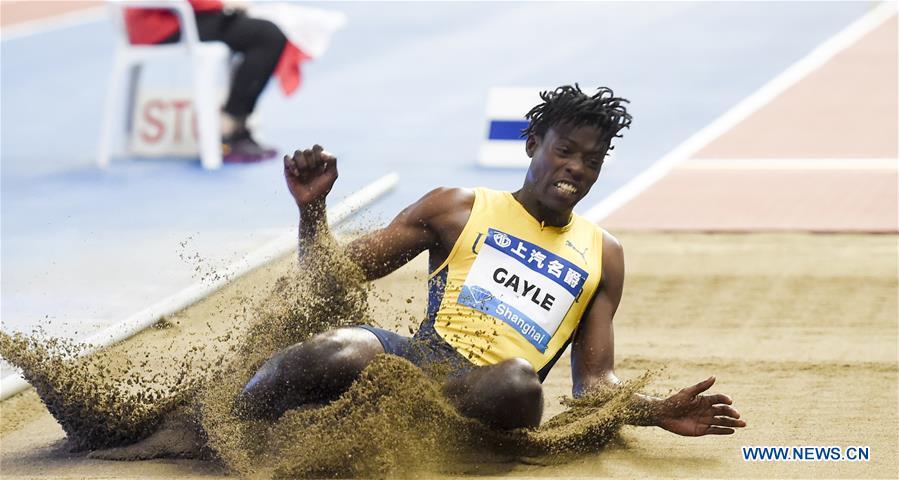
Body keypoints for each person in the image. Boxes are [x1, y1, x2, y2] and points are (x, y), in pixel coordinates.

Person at [234, 85, 747, 435]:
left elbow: (593, 383)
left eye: (592, 161)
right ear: (532, 146)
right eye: (566, 151)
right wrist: (313, 210)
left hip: (488, 394)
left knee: (519, 382)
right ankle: (220, 423)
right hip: (417, 364)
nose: (576, 169)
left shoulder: (603, 254)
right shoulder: (457, 208)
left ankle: (399, 426)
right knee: (338, 348)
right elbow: (330, 279)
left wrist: (655, 412)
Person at [125, 0, 286, 163]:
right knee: (267, 36)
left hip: (170, 16)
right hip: (162, 22)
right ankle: (229, 127)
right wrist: (222, 4)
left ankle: (234, 124)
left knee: (261, 31)